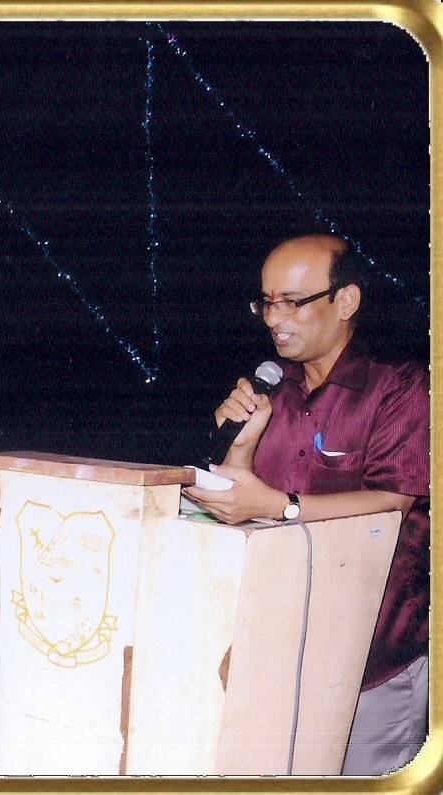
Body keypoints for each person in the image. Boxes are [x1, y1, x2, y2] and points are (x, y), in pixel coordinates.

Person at [185, 234, 428, 775]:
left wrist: (283, 506)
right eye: (267, 302)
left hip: (372, 662)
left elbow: (395, 500)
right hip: (278, 650)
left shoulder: (399, 388)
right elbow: (239, 498)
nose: (275, 319)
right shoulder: (275, 391)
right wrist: (242, 442)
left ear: (346, 301)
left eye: (293, 302)